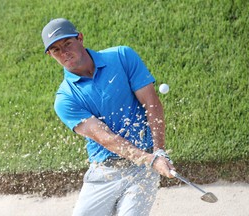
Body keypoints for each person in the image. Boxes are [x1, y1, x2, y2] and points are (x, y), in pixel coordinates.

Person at [41, 18, 175, 216]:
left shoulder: (122, 57)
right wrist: (150, 159)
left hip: (143, 168)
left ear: (80, 38)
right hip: (104, 173)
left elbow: (152, 104)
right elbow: (105, 138)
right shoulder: (65, 99)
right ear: (51, 55)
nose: (64, 53)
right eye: (56, 50)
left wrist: (159, 151)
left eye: (67, 43)